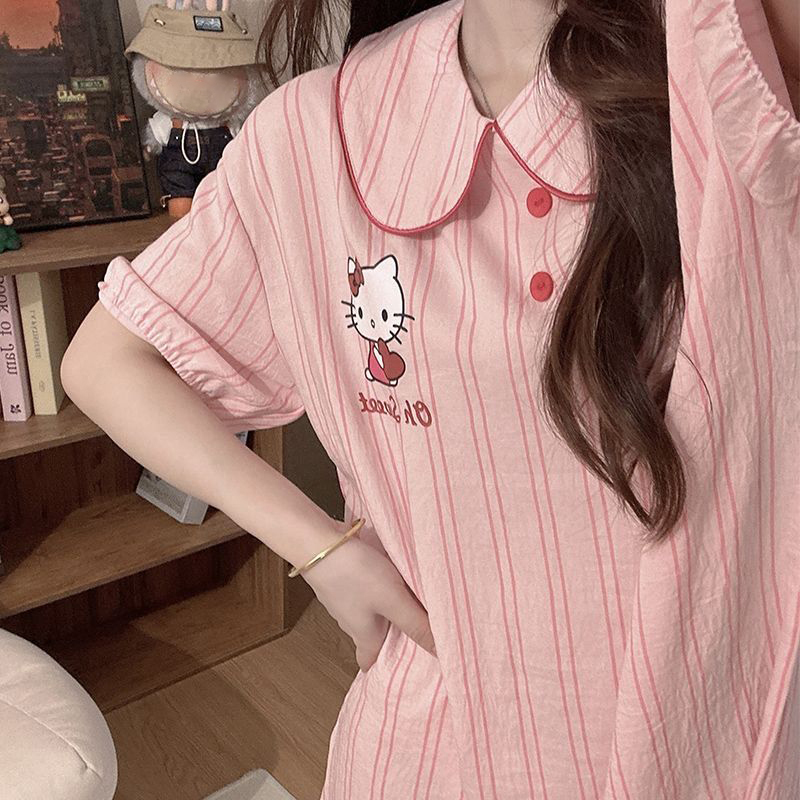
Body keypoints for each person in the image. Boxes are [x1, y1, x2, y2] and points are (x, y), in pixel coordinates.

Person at [61, 0, 799, 796]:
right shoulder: (313, 134)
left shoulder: (733, 64)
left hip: (704, 747)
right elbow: (108, 361)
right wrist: (319, 549)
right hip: (432, 744)